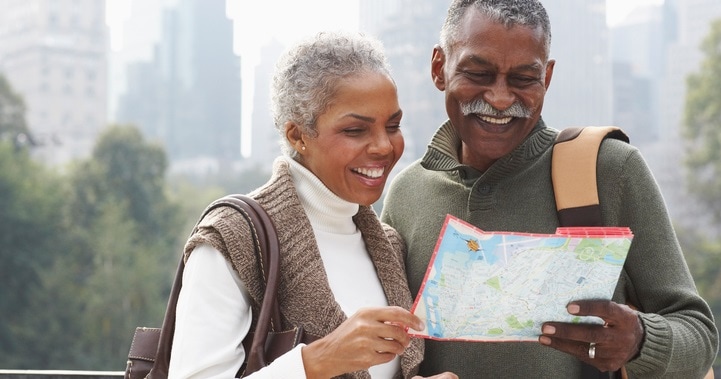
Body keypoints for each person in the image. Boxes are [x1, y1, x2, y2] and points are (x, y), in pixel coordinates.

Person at [380, 0, 719, 378]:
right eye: (478, 73)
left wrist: (640, 341)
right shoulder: (406, 193)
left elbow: (699, 336)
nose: (500, 98)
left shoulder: (610, 170)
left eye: (524, 79)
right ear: (439, 68)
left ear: (548, 77)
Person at [167, 31, 457, 379]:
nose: (383, 146)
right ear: (297, 135)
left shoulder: (389, 247)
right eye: (355, 130)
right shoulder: (234, 239)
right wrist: (317, 362)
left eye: (392, 125)